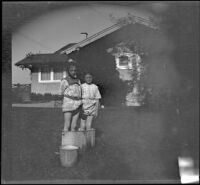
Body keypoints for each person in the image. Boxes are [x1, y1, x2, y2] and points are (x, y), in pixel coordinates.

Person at [59, 61, 82, 132]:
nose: (73, 72)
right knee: (67, 124)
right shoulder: (64, 81)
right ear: (68, 71)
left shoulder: (78, 81)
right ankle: (65, 142)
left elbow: (80, 92)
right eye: (71, 70)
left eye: (75, 70)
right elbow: (60, 92)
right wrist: (62, 101)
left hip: (77, 103)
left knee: (74, 126)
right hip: (68, 103)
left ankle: (73, 142)